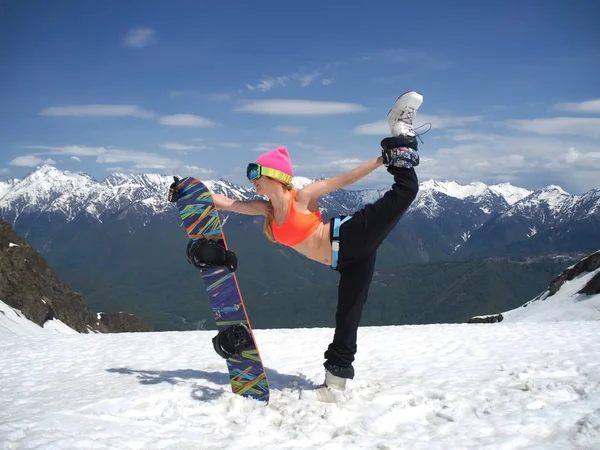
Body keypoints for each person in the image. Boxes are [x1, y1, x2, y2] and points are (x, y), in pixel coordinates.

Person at [211, 91, 423, 402]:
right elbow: (227, 203)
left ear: (275, 176)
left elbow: (345, 179)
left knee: (406, 191)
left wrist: (382, 160)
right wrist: (188, 191)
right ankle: (335, 382)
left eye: (257, 175)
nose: (252, 182)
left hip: (349, 236)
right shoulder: (266, 210)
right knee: (348, 315)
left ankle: (400, 132)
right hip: (347, 261)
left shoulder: (303, 197)